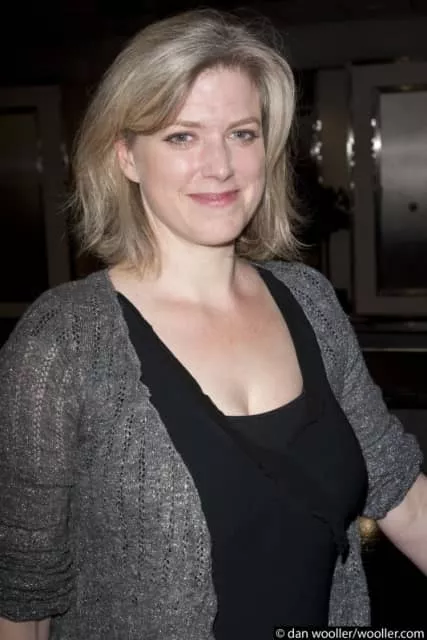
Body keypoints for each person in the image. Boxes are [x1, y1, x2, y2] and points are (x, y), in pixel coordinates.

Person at [0, 9, 426, 640]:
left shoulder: (309, 301)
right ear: (127, 156)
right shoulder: (60, 344)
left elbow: (399, 491)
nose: (220, 166)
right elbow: (25, 596)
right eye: (182, 137)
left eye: (242, 133)